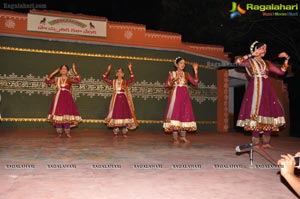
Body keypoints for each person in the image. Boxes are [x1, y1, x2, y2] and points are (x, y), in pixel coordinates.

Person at [235, 41, 290, 149]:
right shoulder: (250, 61)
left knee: (267, 113)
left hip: (266, 90)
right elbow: (238, 62)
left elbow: (281, 72)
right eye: (262, 48)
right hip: (254, 90)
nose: (264, 50)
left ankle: (266, 142)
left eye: (265, 49)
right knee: (255, 113)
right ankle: (255, 142)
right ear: (256, 49)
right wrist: (251, 54)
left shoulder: (267, 63)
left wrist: (287, 58)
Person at [163, 57, 198, 144]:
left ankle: (183, 137)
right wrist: (175, 79)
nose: (183, 65)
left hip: (185, 96)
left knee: (185, 114)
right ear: (177, 64)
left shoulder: (186, 74)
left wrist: (195, 71)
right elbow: (166, 85)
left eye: (184, 63)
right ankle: (175, 138)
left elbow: (195, 83)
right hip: (175, 96)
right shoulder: (172, 74)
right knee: (176, 115)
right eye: (181, 63)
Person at [45, 63, 82, 138]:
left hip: (67, 99)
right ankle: (59, 134)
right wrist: (54, 72)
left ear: (67, 71)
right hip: (58, 99)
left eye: (65, 69)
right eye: (62, 69)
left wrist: (74, 70)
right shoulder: (56, 79)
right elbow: (47, 81)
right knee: (58, 115)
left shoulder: (69, 79)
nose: (63, 70)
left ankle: (68, 133)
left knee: (67, 115)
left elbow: (78, 80)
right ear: (60, 71)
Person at [101, 63, 138, 138]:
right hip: (116, 99)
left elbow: (132, 79)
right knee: (116, 113)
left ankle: (124, 131)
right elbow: (104, 78)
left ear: (123, 74)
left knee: (124, 113)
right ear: (116, 74)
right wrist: (107, 70)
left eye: (121, 72)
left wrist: (130, 70)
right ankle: (116, 131)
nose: (119, 73)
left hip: (124, 100)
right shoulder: (113, 81)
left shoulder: (124, 82)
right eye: (118, 72)